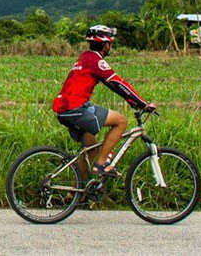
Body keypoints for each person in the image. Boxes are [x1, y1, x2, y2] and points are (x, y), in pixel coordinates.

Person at [52, 25, 155, 176]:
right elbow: (117, 83)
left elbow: (112, 85)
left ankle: (76, 193)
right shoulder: (96, 61)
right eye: (110, 44)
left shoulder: (85, 57)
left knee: (92, 149)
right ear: (106, 44)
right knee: (121, 121)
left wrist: (131, 101)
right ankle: (101, 165)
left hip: (64, 109)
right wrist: (142, 103)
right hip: (76, 108)